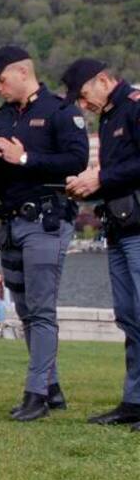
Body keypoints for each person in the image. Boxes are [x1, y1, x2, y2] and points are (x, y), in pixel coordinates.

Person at [0, 45, 89, 422]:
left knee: (41, 309)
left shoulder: (60, 112)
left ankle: (36, 394)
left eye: (1, 80)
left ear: (22, 72)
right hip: (10, 222)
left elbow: (76, 161)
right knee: (25, 310)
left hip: (45, 220)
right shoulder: (2, 118)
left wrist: (24, 159)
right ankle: (52, 389)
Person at [63, 59, 140, 431]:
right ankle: (134, 400)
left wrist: (102, 177)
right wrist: (90, 184)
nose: (83, 104)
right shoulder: (110, 118)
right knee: (129, 317)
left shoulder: (136, 107)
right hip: (120, 226)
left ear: (104, 80)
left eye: (83, 95)